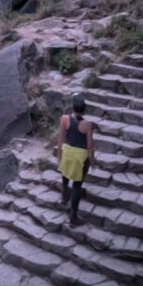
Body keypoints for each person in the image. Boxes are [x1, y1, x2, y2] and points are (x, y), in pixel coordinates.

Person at [56, 92, 96, 227]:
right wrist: (92, 159)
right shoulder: (88, 125)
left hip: (67, 152)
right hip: (80, 157)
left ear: (72, 107)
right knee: (77, 185)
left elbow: (61, 139)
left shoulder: (64, 119)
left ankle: (63, 196)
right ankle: (73, 217)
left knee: (65, 174)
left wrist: (59, 156)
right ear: (84, 109)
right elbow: (90, 145)